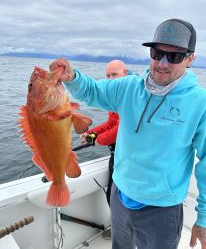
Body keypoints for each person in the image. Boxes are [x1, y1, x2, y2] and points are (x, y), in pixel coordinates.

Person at [49, 18, 206, 249]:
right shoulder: (129, 87)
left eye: (174, 56)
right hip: (119, 194)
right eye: (157, 53)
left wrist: (202, 217)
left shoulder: (200, 102)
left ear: (190, 58)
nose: (162, 63)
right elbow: (93, 91)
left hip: (161, 209)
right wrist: (73, 77)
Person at [80, 60, 128, 240]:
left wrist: (96, 140)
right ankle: (120, 231)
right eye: (107, 75)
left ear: (125, 73)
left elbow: (122, 128)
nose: (109, 79)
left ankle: (124, 234)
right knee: (112, 196)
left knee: (120, 198)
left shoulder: (132, 95)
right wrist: (91, 133)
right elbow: (111, 123)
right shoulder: (114, 97)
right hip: (116, 156)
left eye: (114, 74)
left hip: (127, 157)